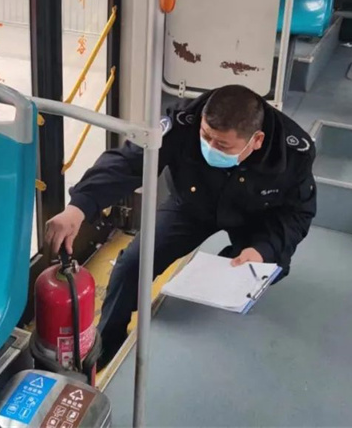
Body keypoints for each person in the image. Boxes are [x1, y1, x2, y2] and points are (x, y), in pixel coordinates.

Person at [45, 84, 317, 366]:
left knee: (248, 274)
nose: (210, 147)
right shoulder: (183, 121)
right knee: (132, 265)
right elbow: (130, 162)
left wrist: (263, 249)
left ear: (256, 140)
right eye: (205, 136)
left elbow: (297, 213)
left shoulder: (293, 152)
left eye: (222, 145)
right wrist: (79, 206)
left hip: (257, 216)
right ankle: (107, 346)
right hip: (193, 205)